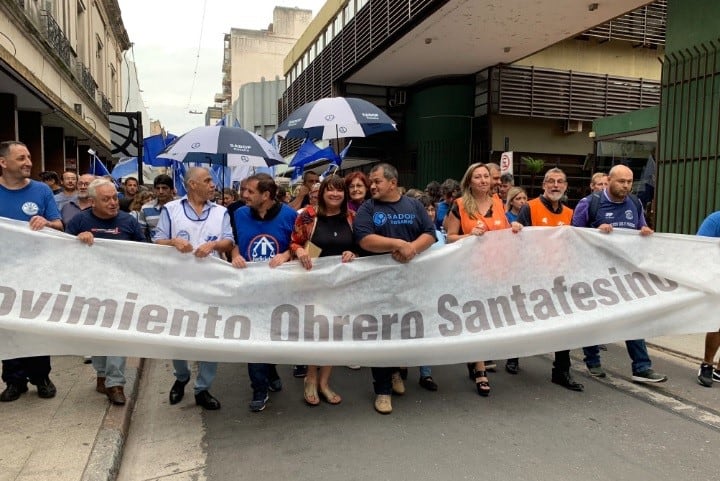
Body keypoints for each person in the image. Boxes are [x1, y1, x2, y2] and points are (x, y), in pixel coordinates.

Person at [571, 164, 668, 383]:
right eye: (621, 181)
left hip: (625, 274)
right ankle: (593, 361)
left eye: (629, 182)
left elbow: (640, 230)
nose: (626, 186)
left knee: (632, 317)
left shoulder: (635, 203)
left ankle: (642, 367)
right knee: (595, 318)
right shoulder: (589, 204)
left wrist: (645, 232)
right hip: (594, 274)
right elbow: (573, 237)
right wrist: (595, 233)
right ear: (609, 180)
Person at [353, 163, 436, 414]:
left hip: (411, 283)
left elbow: (430, 233)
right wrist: (397, 244)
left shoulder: (414, 206)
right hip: (379, 285)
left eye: (377, 181)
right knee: (381, 335)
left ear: (392, 182)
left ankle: (396, 372)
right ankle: (382, 390)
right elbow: (365, 239)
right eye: (371, 181)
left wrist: (412, 249)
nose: (372, 186)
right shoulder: (368, 208)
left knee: (405, 330)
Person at [153, 167, 235, 410]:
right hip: (179, 286)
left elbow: (229, 241)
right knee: (179, 336)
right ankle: (181, 376)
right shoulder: (171, 210)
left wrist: (213, 245)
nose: (213, 184)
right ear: (192, 185)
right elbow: (156, 241)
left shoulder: (221, 212)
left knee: (210, 338)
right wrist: (172, 241)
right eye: (207, 180)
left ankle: (203, 388)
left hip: (212, 286)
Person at [65, 179, 146, 405]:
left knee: (117, 336)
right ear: (92, 202)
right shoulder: (79, 221)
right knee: (97, 334)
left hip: (122, 289)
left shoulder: (128, 221)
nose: (113, 203)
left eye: (114, 198)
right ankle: (101, 374)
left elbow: (144, 252)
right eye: (106, 199)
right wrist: (77, 241)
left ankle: (116, 383)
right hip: (91, 289)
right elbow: (62, 250)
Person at [506, 168, 584, 391]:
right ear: (543, 185)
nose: (555, 185)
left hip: (561, 276)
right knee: (525, 317)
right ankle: (514, 354)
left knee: (564, 324)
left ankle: (562, 370)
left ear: (566, 186)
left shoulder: (570, 213)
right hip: (533, 275)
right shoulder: (530, 207)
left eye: (560, 182)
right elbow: (518, 241)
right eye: (551, 181)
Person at [0, 141, 63, 402]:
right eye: (21, 158)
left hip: (37, 272)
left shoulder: (41, 191)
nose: (28, 162)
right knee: (9, 327)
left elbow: (59, 225)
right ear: (3, 163)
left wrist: (46, 223)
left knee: (37, 325)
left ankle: (41, 376)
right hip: (4, 273)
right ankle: (14, 380)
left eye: (29, 157)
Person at [230, 173, 297, 412]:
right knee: (254, 337)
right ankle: (259, 387)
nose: (244, 195)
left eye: (249, 191)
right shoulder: (238, 214)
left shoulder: (290, 215)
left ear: (266, 195)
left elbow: (299, 244)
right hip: (251, 288)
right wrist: (235, 254)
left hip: (281, 290)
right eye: (243, 190)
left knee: (273, 334)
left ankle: (269, 369)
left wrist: (287, 255)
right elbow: (236, 242)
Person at [290, 175, 358, 406]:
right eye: (330, 190)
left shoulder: (351, 217)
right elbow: (294, 241)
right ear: (322, 193)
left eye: (340, 191)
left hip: (341, 285)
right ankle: (310, 378)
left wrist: (354, 253)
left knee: (335, 332)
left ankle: (324, 382)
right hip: (313, 283)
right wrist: (299, 251)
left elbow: (359, 244)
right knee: (316, 330)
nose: (335, 194)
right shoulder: (308, 215)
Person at [445, 163, 510, 397]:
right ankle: (481, 369)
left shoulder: (499, 204)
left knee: (490, 319)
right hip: (470, 272)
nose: (483, 180)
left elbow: (506, 232)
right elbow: (450, 238)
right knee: (477, 320)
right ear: (469, 181)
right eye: (477, 177)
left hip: (496, 271)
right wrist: (468, 236)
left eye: (486, 176)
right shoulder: (460, 206)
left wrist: (516, 229)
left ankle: (475, 358)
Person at [693, 210, 720, 387]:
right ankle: (707, 364)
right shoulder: (716, 219)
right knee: (718, 323)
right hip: (717, 275)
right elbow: (698, 245)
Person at [135, 174, 175, 242]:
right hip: (155, 249)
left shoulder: (180, 207)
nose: (160, 192)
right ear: (154, 190)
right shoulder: (145, 208)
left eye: (164, 188)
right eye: (157, 188)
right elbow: (141, 234)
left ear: (171, 190)